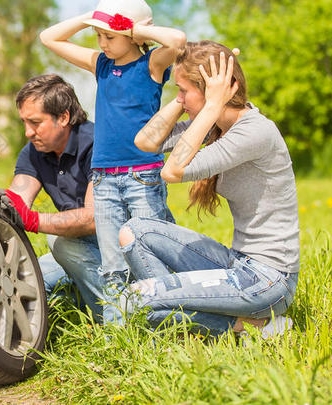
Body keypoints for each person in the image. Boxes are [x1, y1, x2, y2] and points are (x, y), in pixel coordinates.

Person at [119, 40, 299, 338]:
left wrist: (212, 104)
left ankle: (232, 327)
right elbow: (145, 141)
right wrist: (186, 101)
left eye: (184, 91)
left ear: (211, 91)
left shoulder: (254, 131)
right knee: (134, 231)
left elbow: (172, 170)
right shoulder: (217, 128)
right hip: (239, 263)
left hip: (268, 281)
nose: (180, 99)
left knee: (133, 299)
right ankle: (208, 323)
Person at [39, 0, 186, 322]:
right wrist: (90, 18)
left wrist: (134, 30)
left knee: (148, 254)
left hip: (143, 176)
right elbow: (49, 38)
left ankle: (161, 324)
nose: (103, 43)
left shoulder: (152, 64)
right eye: (99, 36)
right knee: (113, 264)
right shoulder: (101, 65)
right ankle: (118, 331)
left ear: (132, 35)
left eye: (110, 36)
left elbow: (177, 41)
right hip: (104, 179)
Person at [0, 74, 107, 321]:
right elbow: (16, 205)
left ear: (64, 117)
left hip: (115, 247)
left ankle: (116, 325)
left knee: (58, 242)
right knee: (20, 281)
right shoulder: (34, 152)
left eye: (35, 122)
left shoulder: (99, 144)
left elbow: (94, 219)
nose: (27, 132)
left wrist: (33, 221)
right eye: (24, 122)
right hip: (76, 247)